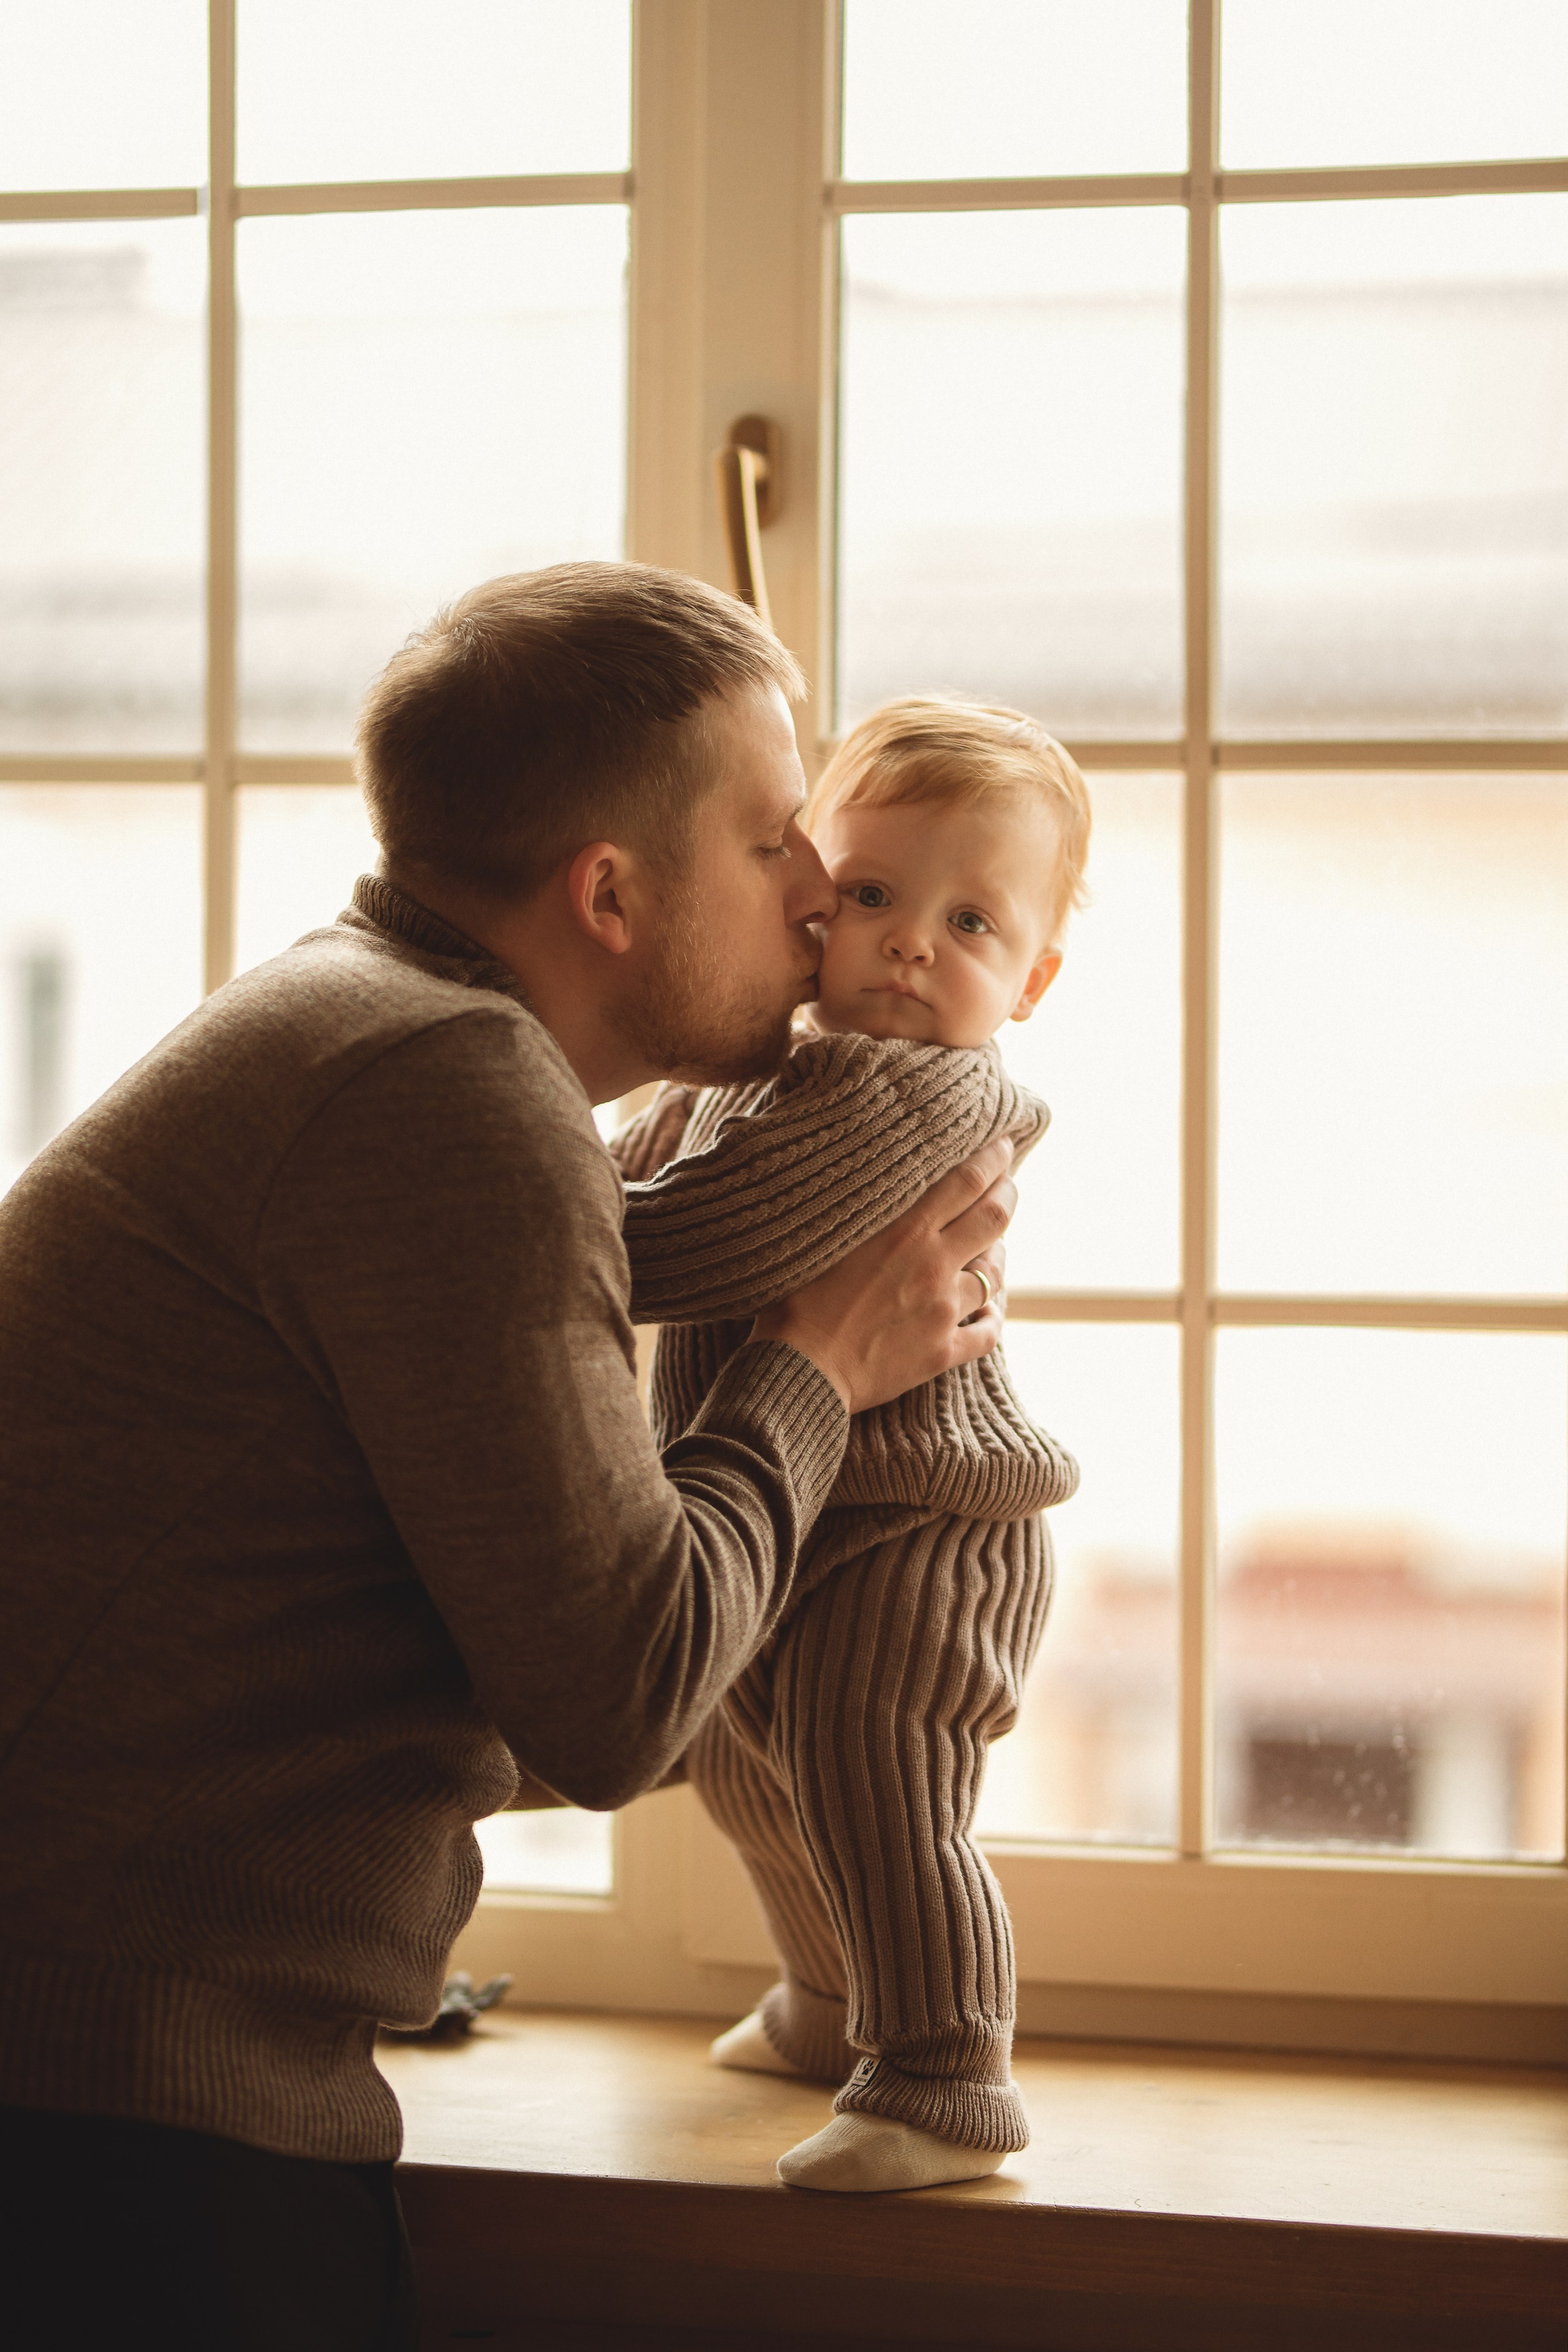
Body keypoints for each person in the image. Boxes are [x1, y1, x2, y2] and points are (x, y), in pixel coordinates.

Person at [0, 570, 1017, 2351]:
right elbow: (616, 1704)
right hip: (117, 2139)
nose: (820, 899)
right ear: (611, 892)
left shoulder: (365, 1025)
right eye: (776, 840)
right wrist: (815, 1367)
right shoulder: (451, 1096)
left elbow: (446, 1631)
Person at [612, 696, 1087, 2193]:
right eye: (873, 896)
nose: (905, 945)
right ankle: (830, 2003)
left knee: (873, 1766)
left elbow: (695, 1234)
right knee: (755, 1772)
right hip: (801, 1513)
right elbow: (641, 1162)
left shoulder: (918, 1089)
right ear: (809, 893)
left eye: (968, 921)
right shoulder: (762, 1071)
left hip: (922, 1526)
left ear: (1032, 978)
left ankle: (946, 2073)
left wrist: (521, 1222)